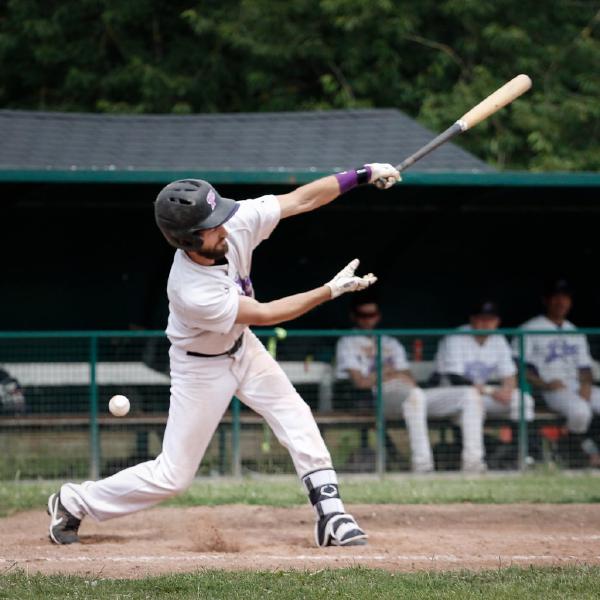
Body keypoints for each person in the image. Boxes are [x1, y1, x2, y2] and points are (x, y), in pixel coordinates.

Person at [46, 163, 401, 548]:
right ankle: (73, 501)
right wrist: (329, 291)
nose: (225, 228)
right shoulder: (191, 289)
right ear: (187, 239)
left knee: (295, 415)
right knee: (173, 477)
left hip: (243, 347)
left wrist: (361, 175)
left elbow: (301, 199)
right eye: (212, 226)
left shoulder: (235, 220)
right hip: (201, 367)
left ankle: (331, 515)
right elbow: (266, 313)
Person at [334, 295, 433, 473]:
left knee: (416, 395)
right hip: (368, 397)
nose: (367, 319)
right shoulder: (347, 342)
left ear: (378, 316)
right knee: (415, 396)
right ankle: (420, 464)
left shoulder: (390, 342)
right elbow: (361, 382)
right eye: (362, 315)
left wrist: (381, 374)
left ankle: (422, 465)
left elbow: (409, 378)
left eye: (371, 315)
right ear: (354, 316)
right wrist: (388, 372)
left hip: (400, 392)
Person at [433, 300, 535, 467]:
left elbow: (509, 374)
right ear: (472, 319)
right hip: (453, 396)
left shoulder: (498, 339)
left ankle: (522, 454)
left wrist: (507, 390)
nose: (485, 323)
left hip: (482, 394)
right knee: (471, 401)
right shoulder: (455, 338)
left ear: (497, 321)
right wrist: (492, 392)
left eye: (490, 319)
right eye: (481, 318)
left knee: (523, 400)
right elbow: (455, 379)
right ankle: (474, 462)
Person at [513, 279, 600, 467]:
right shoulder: (530, 328)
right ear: (546, 300)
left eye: (565, 298)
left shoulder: (573, 330)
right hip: (549, 388)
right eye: (556, 297)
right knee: (580, 411)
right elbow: (518, 366)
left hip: (576, 385)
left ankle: (572, 444)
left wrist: (586, 385)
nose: (561, 302)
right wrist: (543, 384)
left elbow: (585, 367)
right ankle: (575, 448)